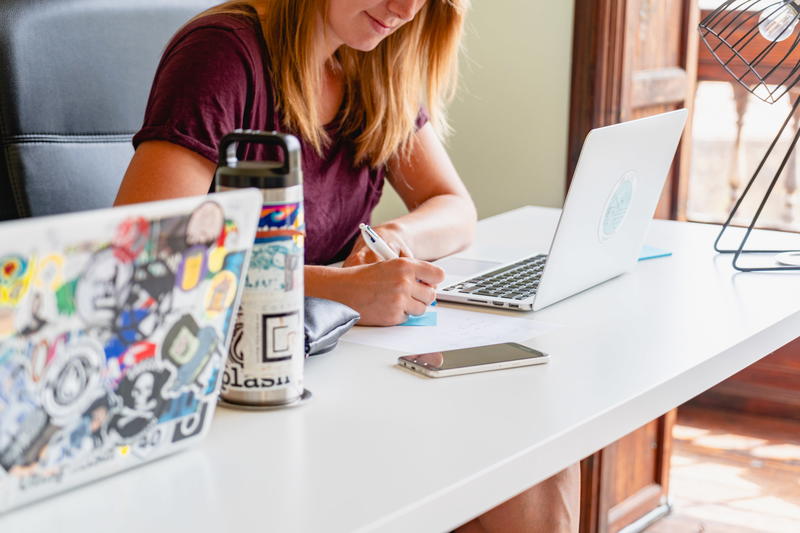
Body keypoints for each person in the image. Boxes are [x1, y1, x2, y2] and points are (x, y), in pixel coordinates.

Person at [114, 1, 579, 530]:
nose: (405, 9)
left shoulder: (371, 60)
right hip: (236, 390)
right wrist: (340, 289)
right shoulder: (223, 54)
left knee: (538, 441)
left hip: (329, 362)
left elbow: (454, 206)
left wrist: (390, 235)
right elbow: (149, 263)